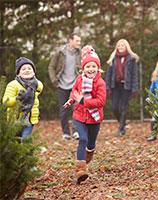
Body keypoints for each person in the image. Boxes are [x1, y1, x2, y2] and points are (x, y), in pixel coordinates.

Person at [63, 46, 106, 184]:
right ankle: (80, 170)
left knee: (91, 144)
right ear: (83, 68)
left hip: (94, 118)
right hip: (80, 115)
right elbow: (74, 91)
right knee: (83, 139)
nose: (91, 69)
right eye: (88, 66)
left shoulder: (100, 83)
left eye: (93, 66)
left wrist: (83, 100)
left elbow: (100, 101)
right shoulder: (79, 80)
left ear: (98, 68)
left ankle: (86, 158)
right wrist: (71, 100)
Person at [48, 32, 81, 140]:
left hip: (75, 85)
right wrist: (54, 80)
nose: (79, 43)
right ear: (70, 41)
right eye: (77, 41)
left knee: (76, 108)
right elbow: (51, 67)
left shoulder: (80, 53)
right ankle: (66, 133)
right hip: (62, 85)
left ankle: (76, 131)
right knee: (63, 110)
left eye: (79, 41)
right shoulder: (60, 52)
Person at [2, 57, 43, 140]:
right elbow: (5, 101)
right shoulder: (13, 85)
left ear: (34, 72)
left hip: (30, 118)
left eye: (29, 68)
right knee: (14, 141)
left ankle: (27, 152)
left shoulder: (36, 85)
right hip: (15, 119)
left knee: (26, 140)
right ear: (18, 73)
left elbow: (40, 87)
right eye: (23, 69)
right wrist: (17, 99)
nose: (27, 70)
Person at [105, 39, 139, 136]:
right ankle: (122, 122)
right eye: (119, 45)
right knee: (114, 107)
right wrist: (107, 87)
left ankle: (121, 130)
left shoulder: (131, 59)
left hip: (126, 86)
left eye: (122, 45)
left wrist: (134, 88)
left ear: (126, 47)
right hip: (115, 85)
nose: (120, 47)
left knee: (124, 107)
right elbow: (109, 74)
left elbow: (134, 75)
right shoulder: (113, 58)